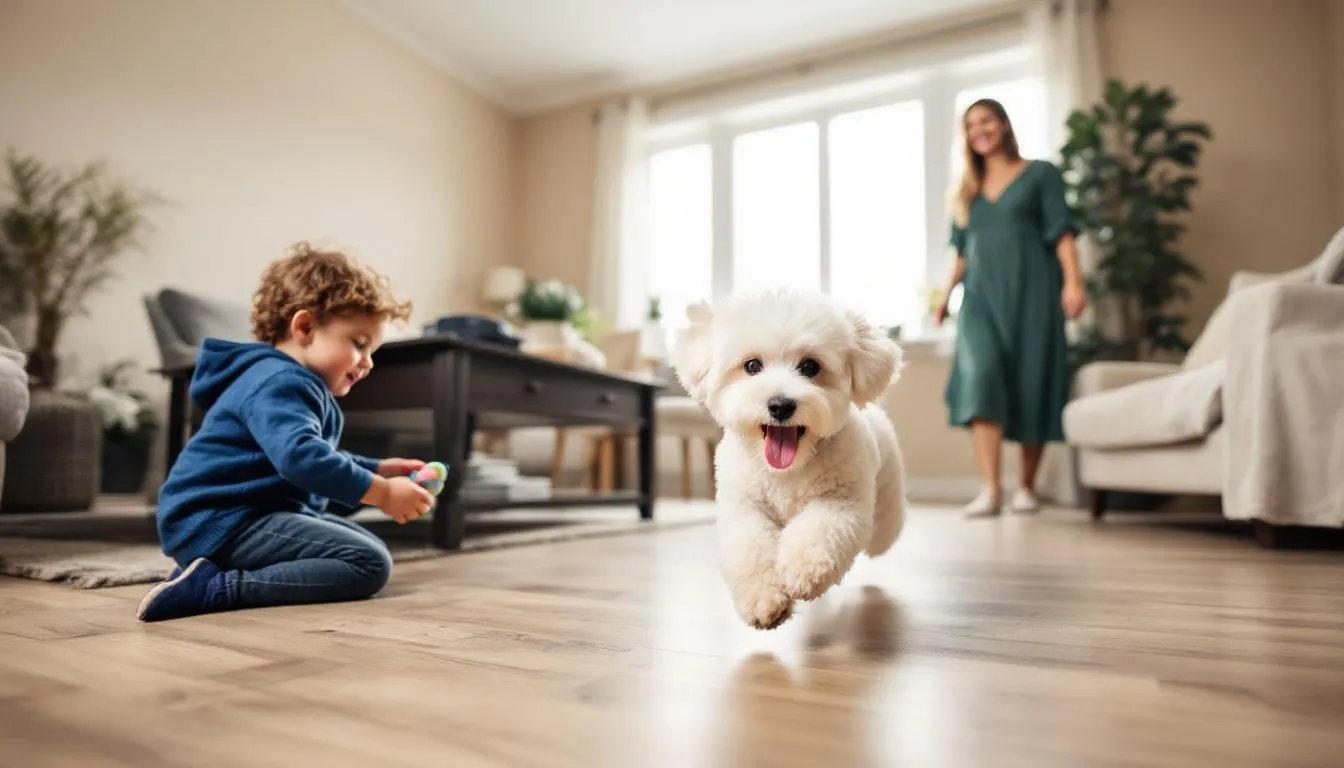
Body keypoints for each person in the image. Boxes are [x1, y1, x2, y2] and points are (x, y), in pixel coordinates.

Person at [136, 242, 435, 622]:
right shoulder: (279, 382)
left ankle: (204, 571)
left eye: (372, 350)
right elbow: (302, 458)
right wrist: (383, 492)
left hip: (243, 516)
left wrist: (377, 469)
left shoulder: (291, 382)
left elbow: (314, 453)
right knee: (368, 562)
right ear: (305, 327)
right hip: (221, 520)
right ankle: (214, 588)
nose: (368, 363)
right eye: (359, 344)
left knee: (366, 545)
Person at [934, 98, 1087, 518]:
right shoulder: (967, 190)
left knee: (1031, 380)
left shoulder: (1040, 174)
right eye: (969, 125)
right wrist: (946, 294)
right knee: (981, 377)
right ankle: (990, 488)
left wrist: (1074, 280)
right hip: (980, 300)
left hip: (1034, 294)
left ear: (1003, 124)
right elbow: (962, 251)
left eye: (985, 121)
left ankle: (1026, 487)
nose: (978, 130)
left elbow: (1061, 232)